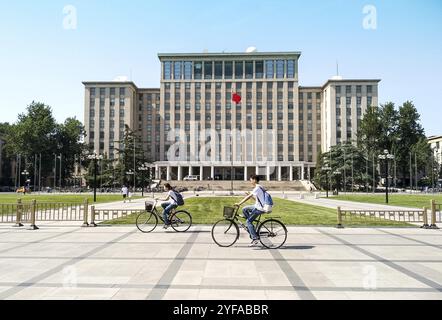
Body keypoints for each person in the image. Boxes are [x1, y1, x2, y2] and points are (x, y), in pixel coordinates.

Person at [235, 174, 267, 247]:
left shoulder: (257, 188)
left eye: (251, 180)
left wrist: (239, 203)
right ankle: (250, 226)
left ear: (254, 180)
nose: (250, 182)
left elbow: (248, 197)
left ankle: (255, 238)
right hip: (257, 206)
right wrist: (250, 194)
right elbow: (256, 199)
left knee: (248, 221)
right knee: (244, 209)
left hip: (259, 208)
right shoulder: (259, 187)